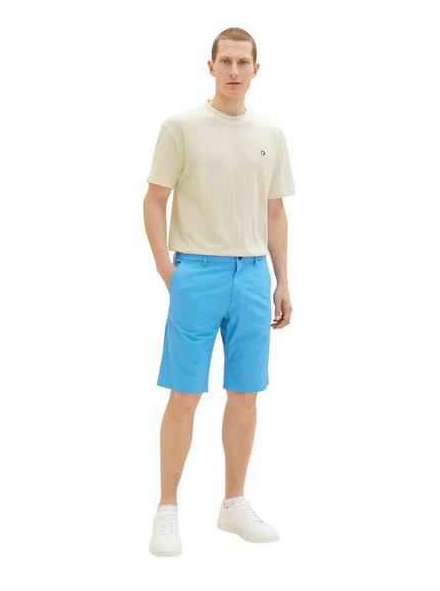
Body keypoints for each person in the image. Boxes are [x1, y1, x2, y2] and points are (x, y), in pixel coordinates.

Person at [143, 27, 295, 557]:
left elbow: (275, 210)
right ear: (210, 67)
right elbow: (154, 199)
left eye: (243, 62)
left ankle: (233, 502)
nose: (234, 71)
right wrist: (167, 270)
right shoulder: (181, 127)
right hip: (197, 272)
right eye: (225, 61)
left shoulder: (270, 133)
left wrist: (283, 279)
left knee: (246, 391)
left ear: (256, 69)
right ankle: (167, 509)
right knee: (184, 392)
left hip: (252, 274)